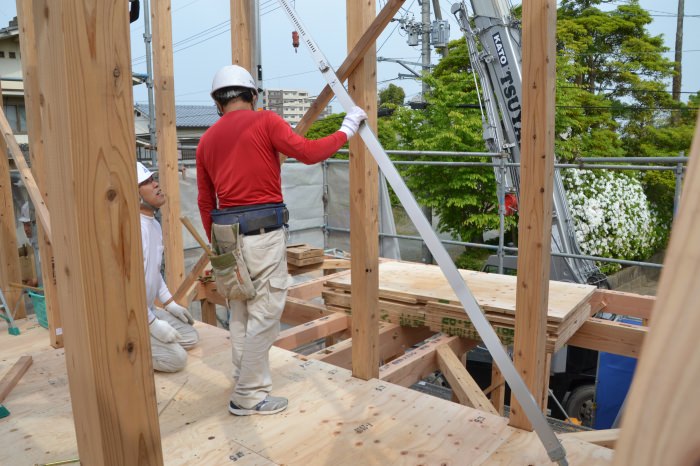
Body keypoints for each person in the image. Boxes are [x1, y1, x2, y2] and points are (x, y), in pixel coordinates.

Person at [196, 64, 367, 416]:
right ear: (252, 95)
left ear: (218, 102)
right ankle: (248, 395)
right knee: (267, 313)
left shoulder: (206, 140)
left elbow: (204, 201)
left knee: (242, 311)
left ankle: (244, 382)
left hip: (227, 237)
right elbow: (309, 153)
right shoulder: (265, 121)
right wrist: (346, 130)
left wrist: (218, 245)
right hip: (262, 236)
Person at [137, 161, 200, 372]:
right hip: (132, 317)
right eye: (146, 182)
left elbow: (154, 272)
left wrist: (170, 302)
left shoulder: (153, 224)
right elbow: (127, 287)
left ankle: (149, 335)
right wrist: (152, 324)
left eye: (152, 179)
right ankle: (126, 352)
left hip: (148, 310)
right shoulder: (134, 229)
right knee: (177, 360)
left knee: (190, 337)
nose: (155, 184)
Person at [18, 201, 41, 288]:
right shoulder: (34, 243)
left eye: (28, 225)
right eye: (24, 225)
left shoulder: (48, 244)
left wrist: (36, 280)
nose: (25, 229)